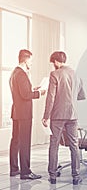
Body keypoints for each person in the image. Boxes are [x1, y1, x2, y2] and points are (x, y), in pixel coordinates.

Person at [42, 51, 86, 185]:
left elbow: (51, 97)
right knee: (74, 145)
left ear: (56, 61)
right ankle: (76, 176)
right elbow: (81, 95)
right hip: (72, 115)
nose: (53, 65)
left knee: (54, 145)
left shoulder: (55, 74)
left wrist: (45, 116)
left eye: (53, 63)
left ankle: (53, 176)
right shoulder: (76, 74)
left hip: (57, 116)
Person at [9, 49, 46, 180]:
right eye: (31, 60)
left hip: (16, 112)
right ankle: (26, 172)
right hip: (24, 114)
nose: (31, 63)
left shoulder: (14, 73)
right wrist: (39, 93)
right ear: (25, 60)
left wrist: (33, 89)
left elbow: (22, 91)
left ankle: (14, 169)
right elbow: (25, 95)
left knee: (16, 141)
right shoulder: (22, 74)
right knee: (24, 142)